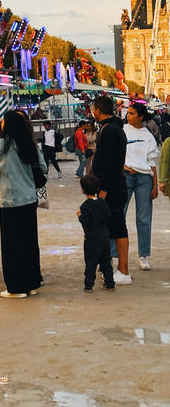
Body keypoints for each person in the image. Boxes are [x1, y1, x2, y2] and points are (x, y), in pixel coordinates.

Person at [0, 110, 47, 298]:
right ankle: (32, 283)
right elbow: (43, 167)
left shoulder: (3, 144)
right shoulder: (30, 143)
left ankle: (16, 287)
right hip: (29, 199)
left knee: (12, 245)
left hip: (10, 200)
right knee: (29, 242)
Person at [91, 95, 130, 284]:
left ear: (97, 110)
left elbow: (113, 163)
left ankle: (123, 270)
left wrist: (104, 188)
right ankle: (110, 265)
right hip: (110, 186)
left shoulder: (111, 130)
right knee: (109, 226)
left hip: (112, 187)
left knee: (118, 227)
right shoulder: (110, 128)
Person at [121, 102, 159, 270]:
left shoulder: (148, 136)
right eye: (127, 113)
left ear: (141, 116)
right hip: (125, 177)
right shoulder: (122, 131)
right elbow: (115, 153)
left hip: (144, 178)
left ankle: (143, 255)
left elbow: (152, 162)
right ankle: (115, 254)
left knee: (143, 218)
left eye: (131, 113)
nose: (128, 116)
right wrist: (121, 166)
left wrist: (155, 185)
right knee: (119, 215)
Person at [77, 174, 115, 292]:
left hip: (92, 238)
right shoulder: (102, 202)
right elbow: (108, 215)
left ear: (83, 190)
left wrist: (80, 216)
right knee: (106, 262)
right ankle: (109, 283)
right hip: (104, 236)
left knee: (91, 262)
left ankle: (89, 285)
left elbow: (86, 222)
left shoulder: (85, 206)